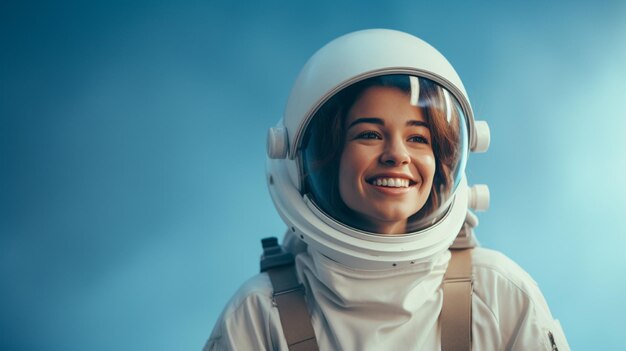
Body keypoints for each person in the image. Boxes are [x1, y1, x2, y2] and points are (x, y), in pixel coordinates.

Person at [205, 29, 570, 350]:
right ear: (325, 156)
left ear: (442, 158)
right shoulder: (258, 313)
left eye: (417, 137)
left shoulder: (498, 295)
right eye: (369, 134)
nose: (397, 155)